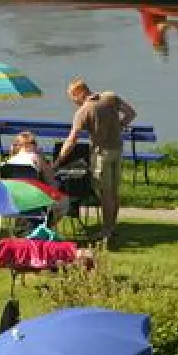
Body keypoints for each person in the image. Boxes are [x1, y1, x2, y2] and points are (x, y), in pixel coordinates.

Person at [52, 78, 137, 243]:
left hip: (101, 154)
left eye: (73, 98)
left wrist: (58, 161)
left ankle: (106, 231)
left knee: (105, 194)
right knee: (114, 192)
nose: (74, 102)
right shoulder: (110, 96)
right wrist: (119, 126)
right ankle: (112, 227)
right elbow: (131, 113)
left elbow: (72, 140)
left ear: (79, 93)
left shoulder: (84, 111)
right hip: (117, 150)